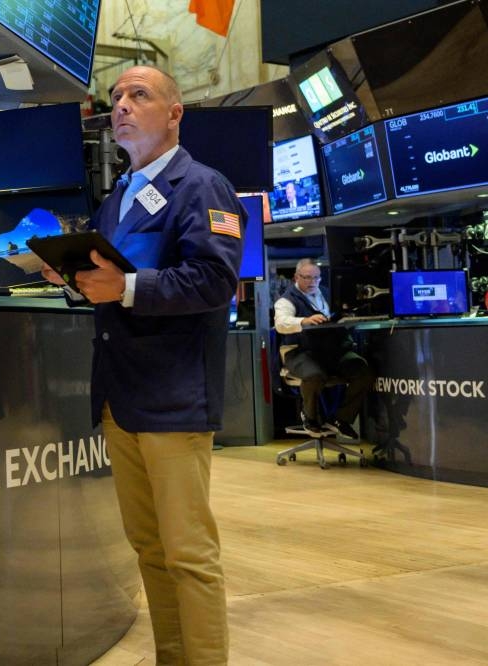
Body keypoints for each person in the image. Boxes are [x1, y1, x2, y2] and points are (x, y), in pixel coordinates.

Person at [42, 65, 244, 665]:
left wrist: (126, 288)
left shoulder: (203, 186)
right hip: (121, 397)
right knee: (150, 549)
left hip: (174, 397)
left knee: (188, 554)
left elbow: (215, 280)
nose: (122, 106)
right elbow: (112, 283)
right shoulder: (117, 198)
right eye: (116, 98)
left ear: (175, 113)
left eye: (139, 95)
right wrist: (75, 279)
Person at [273, 258, 373, 438]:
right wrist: (303, 321)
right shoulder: (286, 300)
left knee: (363, 371)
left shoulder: (328, 294)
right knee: (314, 375)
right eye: (307, 278)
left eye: (316, 278)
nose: (312, 282)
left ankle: (341, 418)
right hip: (299, 351)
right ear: (296, 277)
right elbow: (281, 323)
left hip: (333, 351)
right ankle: (310, 418)